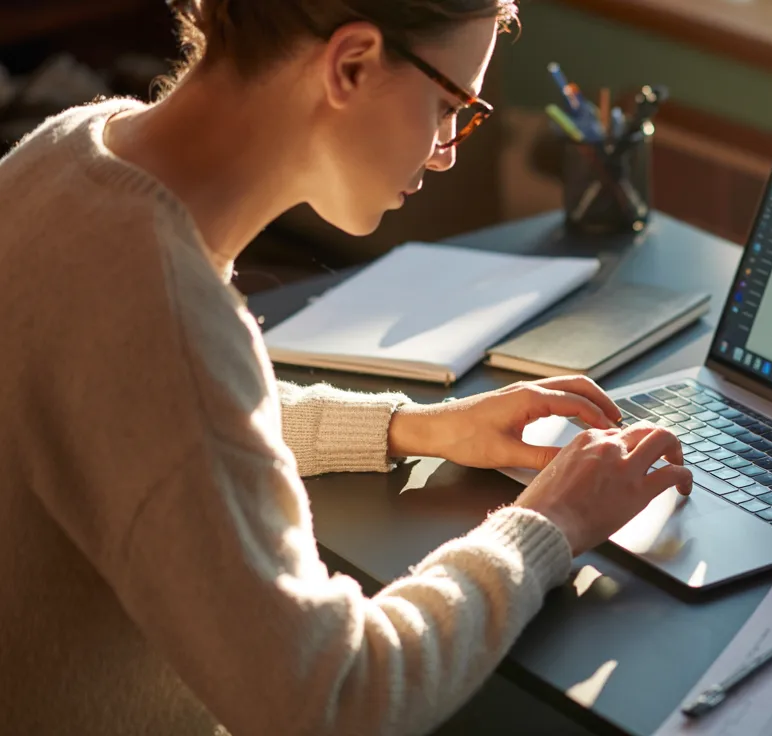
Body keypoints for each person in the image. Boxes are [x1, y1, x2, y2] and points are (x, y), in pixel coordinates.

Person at [0, 1, 692, 734]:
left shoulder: (65, 152)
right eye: (450, 104)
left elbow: (146, 418)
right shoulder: (163, 316)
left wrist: (412, 427)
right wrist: (547, 523)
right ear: (351, 64)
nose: (447, 149)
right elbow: (334, 699)